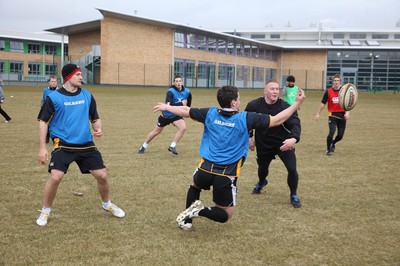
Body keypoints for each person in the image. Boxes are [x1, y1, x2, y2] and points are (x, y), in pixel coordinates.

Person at [153, 84, 305, 230]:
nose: (240, 101)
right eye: (238, 98)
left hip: (204, 169)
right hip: (226, 175)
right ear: (233, 103)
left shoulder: (210, 113)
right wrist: (297, 103)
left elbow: (186, 110)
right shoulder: (245, 118)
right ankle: (199, 211)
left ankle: (186, 222)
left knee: (194, 185)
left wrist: (167, 107)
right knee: (226, 214)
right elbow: (277, 119)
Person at [36, 64, 125, 226]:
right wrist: (42, 147)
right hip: (63, 144)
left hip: (86, 144)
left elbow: (95, 118)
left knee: (102, 175)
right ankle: (45, 210)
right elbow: (43, 122)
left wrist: (98, 129)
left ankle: (107, 204)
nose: (81, 77)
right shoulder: (54, 97)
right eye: (78, 75)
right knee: (56, 177)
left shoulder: (87, 96)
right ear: (68, 77)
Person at [245, 80, 302, 208]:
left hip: (283, 143)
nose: (275, 91)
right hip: (263, 144)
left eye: (277, 89)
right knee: (262, 169)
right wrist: (249, 138)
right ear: (265, 91)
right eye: (272, 89)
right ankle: (261, 182)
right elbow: (246, 122)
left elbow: (295, 123)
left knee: (292, 168)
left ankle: (294, 195)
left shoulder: (285, 106)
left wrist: (294, 138)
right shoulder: (254, 105)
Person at [138, 75, 192, 155]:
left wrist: (186, 111)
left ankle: (172, 146)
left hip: (176, 115)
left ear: (182, 82)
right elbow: (167, 106)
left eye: (180, 81)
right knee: (156, 132)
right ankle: (144, 145)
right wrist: (181, 103)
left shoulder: (187, 92)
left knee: (183, 128)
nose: (178, 83)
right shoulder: (170, 91)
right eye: (176, 81)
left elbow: (188, 105)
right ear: (174, 82)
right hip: (166, 115)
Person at [315, 74, 350, 155]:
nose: (336, 82)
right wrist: (318, 113)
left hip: (342, 116)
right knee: (332, 132)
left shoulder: (344, 91)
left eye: (338, 80)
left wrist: (347, 112)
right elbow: (323, 103)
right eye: (335, 80)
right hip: (332, 115)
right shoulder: (328, 91)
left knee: (340, 136)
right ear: (332, 82)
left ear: (340, 81)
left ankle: (333, 143)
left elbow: (348, 103)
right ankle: (328, 150)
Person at [41, 75, 59, 143]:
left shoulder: (59, 91)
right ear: (49, 82)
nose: (53, 83)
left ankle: (56, 138)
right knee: (47, 124)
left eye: (55, 81)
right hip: (47, 111)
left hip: (56, 111)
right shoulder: (45, 90)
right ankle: (46, 136)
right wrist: (42, 109)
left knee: (56, 125)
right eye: (52, 81)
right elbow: (43, 100)